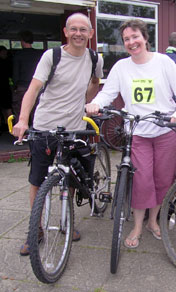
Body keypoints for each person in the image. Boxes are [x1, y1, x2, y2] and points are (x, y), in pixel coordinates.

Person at [85, 19, 176, 249]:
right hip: (137, 132)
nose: (132, 42)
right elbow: (108, 93)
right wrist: (94, 104)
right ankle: (137, 225)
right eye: (126, 39)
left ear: (145, 37)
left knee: (163, 179)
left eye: (135, 37)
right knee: (142, 180)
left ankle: (154, 222)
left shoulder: (163, 62)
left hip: (166, 130)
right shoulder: (121, 67)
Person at [12, 13, 104, 256]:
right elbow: (33, 89)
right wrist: (23, 120)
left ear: (90, 34)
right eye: (73, 29)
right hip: (45, 127)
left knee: (71, 176)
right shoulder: (51, 56)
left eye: (83, 29)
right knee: (37, 181)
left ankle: (66, 221)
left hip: (74, 127)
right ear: (65, 31)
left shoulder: (95, 58)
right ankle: (36, 231)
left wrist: (85, 101)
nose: (78, 33)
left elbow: (95, 82)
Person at [12, 30, 42, 123]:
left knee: (20, 113)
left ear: (22, 41)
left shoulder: (18, 56)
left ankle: (21, 134)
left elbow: (15, 74)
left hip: (22, 87)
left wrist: (15, 86)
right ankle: (36, 134)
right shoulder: (39, 55)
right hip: (37, 87)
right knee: (36, 113)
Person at [0, 46, 13, 132]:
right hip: (6, 88)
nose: (5, 54)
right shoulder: (8, 63)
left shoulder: (8, 63)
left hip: (5, 88)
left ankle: (8, 127)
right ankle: (10, 128)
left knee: (8, 109)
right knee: (8, 110)